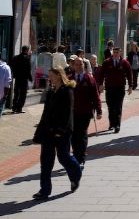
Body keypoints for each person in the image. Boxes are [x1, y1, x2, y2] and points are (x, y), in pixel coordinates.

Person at [32, 67, 81, 199]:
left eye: (51, 75)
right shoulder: (50, 91)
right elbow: (45, 112)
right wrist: (39, 131)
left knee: (63, 156)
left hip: (62, 131)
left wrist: (60, 130)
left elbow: (68, 113)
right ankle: (44, 190)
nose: (49, 78)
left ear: (59, 76)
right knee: (46, 161)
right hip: (48, 130)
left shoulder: (67, 90)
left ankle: (76, 174)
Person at [69, 58, 102, 167]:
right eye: (76, 64)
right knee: (73, 135)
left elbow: (95, 96)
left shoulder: (89, 79)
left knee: (82, 134)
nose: (78, 66)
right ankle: (76, 154)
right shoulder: (70, 79)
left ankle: (81, 157)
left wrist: (99, 110)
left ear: (84, 65)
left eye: (80, 64)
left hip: (85, 112)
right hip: (72, 112)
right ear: (73, 66)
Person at [99, 47, 132, 133]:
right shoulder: (106, 62)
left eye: (117, 52)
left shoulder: (125, 62)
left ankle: (117, 125)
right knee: (110, 106)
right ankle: (111, 123)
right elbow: (101, 74)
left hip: (120, 88)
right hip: (109, 88)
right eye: (114, 52)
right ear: (112, 53)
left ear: (120, 53)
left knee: (118, 106)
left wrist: (130, 86)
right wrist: (100, 84)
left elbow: (129, 74)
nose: (115, 53)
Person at [10, 45, 32, 113]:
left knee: (16, 93)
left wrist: (14, 74)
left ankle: (14, 108)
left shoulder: (15, 57)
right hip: (24, 79)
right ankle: (19, 108)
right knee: (23, 94)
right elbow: (28, 69)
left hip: (17, 78)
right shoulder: (27, 58)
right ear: (26, 50)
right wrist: (30, 78)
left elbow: (12, 66)